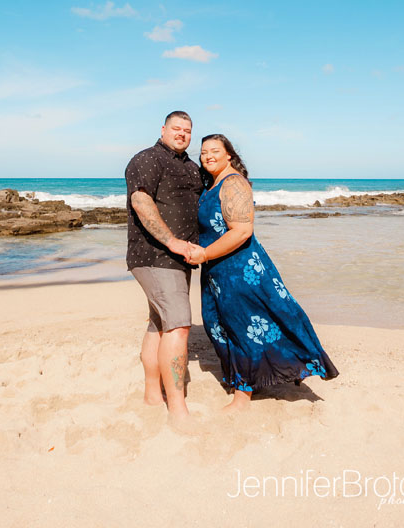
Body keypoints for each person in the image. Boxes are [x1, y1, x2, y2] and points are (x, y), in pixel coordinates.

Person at [187, 134, 338, 412]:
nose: (208, 155)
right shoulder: (214, 184)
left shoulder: (233, 183)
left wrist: (205, 253)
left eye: (215, 151)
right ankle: (249, 378)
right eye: (204, 151)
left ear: (229, 155)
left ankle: (243, 396)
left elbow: (243, 231)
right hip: (217, 271)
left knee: (243, 326)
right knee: (217, 325)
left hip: (240, 270)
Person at [125, 111, 203, 421]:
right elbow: (141, 202)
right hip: (154, 255)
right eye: (176, 128)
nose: (182, 134)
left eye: (187, 130)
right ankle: (178, 406)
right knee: (180, 325)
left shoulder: (191, 168)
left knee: (159, 323)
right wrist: (171, 241)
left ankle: (152, 396)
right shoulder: (148, 159)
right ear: (163, 129)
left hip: (177, 260)